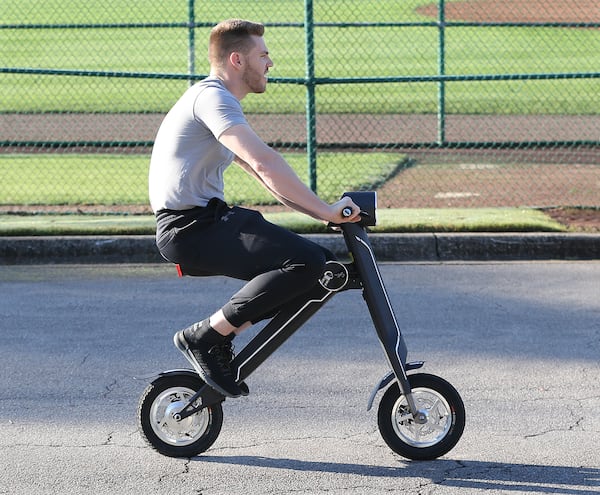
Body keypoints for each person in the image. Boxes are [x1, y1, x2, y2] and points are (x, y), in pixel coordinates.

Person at [148, 19, 360, 398]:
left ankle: (218, 336)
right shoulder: (212, 99)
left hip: (201, 222)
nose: (270, 63)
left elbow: (264, 177)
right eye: (263, 55)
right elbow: (264, 162)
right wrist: (329, 212)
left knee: (318, 269)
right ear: (236, 60)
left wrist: (323, 213)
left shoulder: (216, 101)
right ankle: (204, 337)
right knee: (307, 264)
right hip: (190, 227)